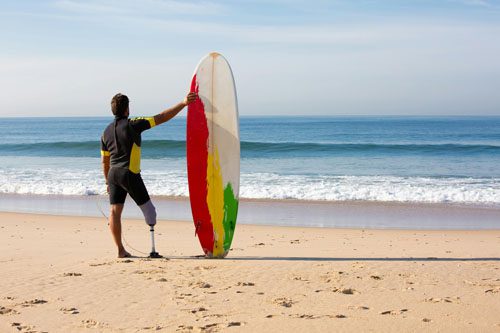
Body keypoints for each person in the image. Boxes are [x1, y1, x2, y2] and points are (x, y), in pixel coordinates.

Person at [101, 92, 197, 258]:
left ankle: (120, 250)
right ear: (127, 109)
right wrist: (183, 103)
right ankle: (152, 250)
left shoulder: (106, 132)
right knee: (150, 213)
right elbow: (161, 117)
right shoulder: (133, 124)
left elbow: (105, 161)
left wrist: (107, 183)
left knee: (114, 212)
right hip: (129, 173)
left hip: (113, 174)